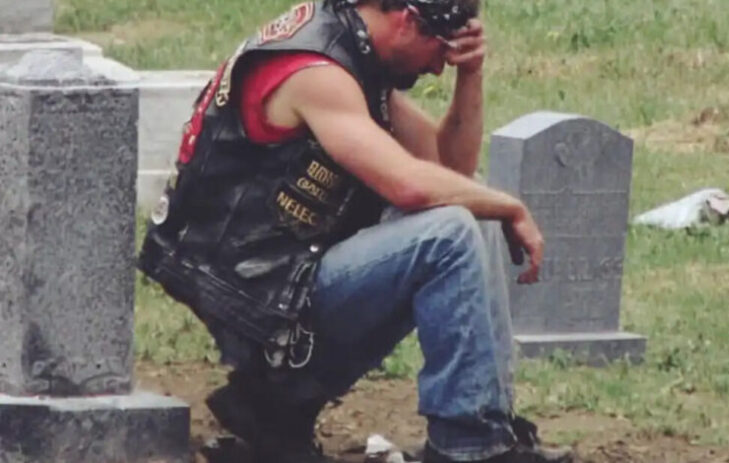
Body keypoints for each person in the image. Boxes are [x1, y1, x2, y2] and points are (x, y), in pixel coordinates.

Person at [139, 0, 573, 462]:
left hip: (279, 280)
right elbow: (408, 186)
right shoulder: (317, 71)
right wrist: (512, 206)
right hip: (255, 296)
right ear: (407, 21)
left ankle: (273, 410)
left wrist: (471, 76)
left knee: (465, 208)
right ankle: (468, 445)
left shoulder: (355, 56)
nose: (438, 68)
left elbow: (451, 172)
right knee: (448, 233)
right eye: (441, 51)